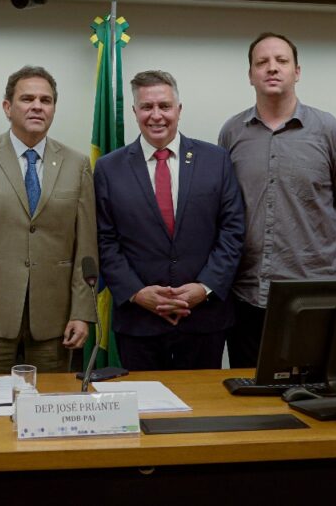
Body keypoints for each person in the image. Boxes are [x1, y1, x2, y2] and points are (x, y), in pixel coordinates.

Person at [219, 33, 336, 368]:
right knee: (252, 400)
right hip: (247, 295)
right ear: (250, 75)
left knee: (315, 398)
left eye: (281, 61)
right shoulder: (232, 133)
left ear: (296, 71)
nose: (272, 68)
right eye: (262, 62)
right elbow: (225, 208)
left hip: (314, 295)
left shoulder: (329, 130)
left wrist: (316, 250)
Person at [0, 66, 95, 373]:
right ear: (7, 107)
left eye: (46, 100)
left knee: (50, 410)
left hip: (54, 321)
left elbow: (86, 248)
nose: (37, 106)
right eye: (27, 98)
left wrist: (82, 312)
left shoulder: (77, 164)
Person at [94, 71, 243, 370]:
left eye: (164, 106)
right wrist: (137, 293)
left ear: (179, 109)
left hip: (204, 318)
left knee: (201, 411)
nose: (156, 115)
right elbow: (104, 239)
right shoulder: (109, 168)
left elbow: (233, 231)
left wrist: (204, 287)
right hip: (139, 321)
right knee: (144, 413)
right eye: (147, 107)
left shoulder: (216, 160)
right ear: (135, 112)